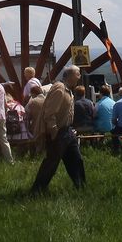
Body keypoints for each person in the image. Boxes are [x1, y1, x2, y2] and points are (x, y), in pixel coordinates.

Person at [30, 65, 85, 195]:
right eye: (78, 74)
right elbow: (49, 112)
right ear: (70, 75)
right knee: (52, 162)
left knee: (76, 159)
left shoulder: (67, 89)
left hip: (67, 132)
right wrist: (54, 130)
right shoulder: (59, 89)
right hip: (59, 133)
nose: (80, 76)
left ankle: (81, 186)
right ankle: (37, 190)